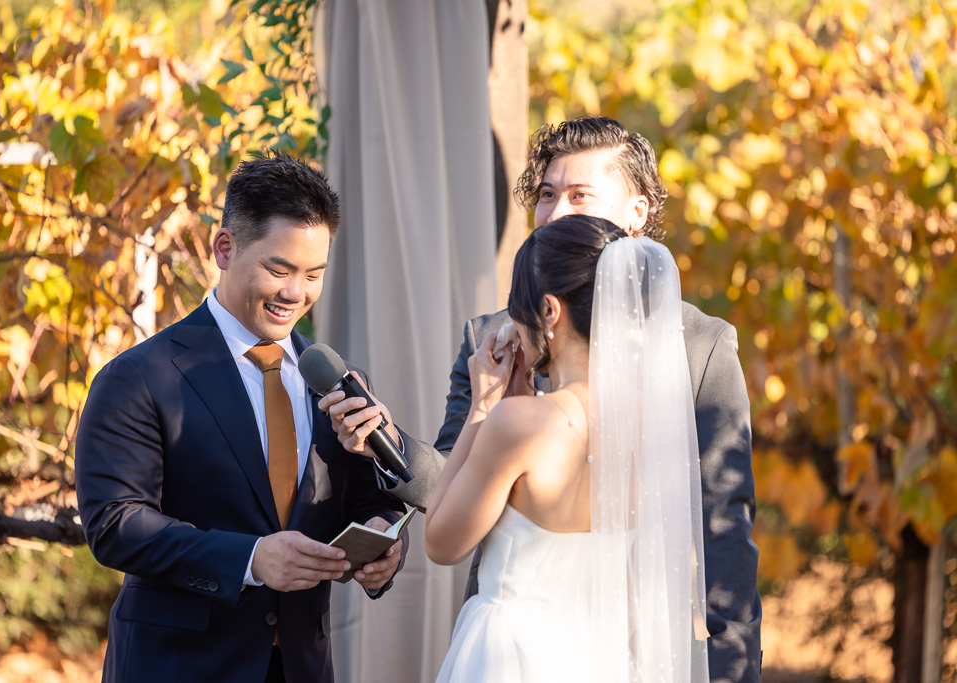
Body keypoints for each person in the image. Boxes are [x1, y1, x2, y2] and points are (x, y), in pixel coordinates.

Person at [320, 117, 761, 681]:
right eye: (547, 195)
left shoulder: (700, 346)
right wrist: (391, 444)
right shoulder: (492, 335)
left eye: (580, 195)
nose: (554, 213)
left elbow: (725, 527)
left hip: (600, 649)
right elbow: (456, 477)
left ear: (638, 212)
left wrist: (733, 672)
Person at [75, 153, 409, 683]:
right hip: (177, 668)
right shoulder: (136, 377)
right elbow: (115, 523)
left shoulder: (338, 379)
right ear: (225, 249)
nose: (296, 293)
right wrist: (250, 559)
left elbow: (374, 499)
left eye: (313, 274)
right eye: (279, 270)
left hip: (301, 667)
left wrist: (384, 539)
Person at [425, 215, 710, 681]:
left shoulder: (517, 423)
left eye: (517, 307)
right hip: (600, 655)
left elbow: (440, 542)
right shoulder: (654, 428)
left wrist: (483, 407)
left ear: (549, 311)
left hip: (509, 655)